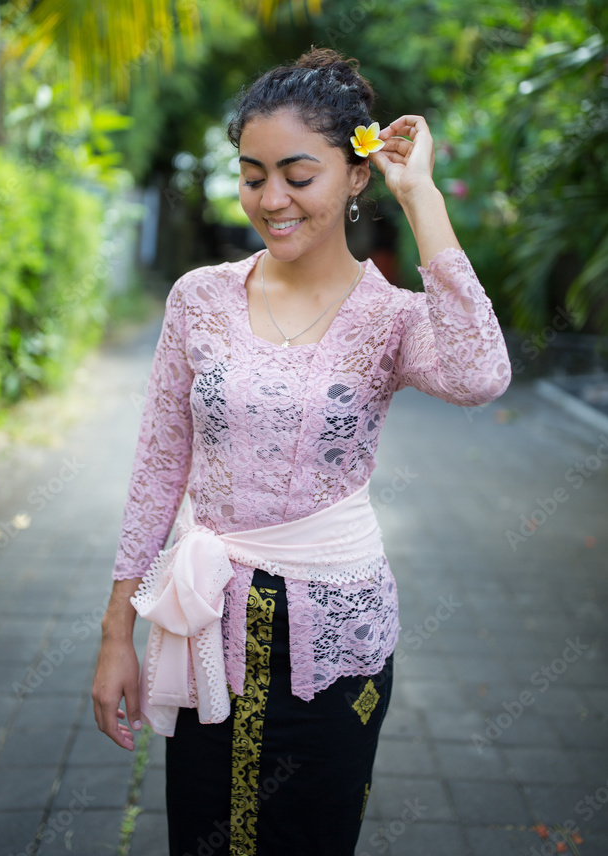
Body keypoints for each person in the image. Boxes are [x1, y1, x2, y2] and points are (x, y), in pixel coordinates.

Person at [92, 47, 512, 855]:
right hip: (199, 625)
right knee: (204, 840)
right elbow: (155, 471)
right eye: (252, 176)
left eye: (297, 174)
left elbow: (480, 371)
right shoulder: (199, 299)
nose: (271, 199)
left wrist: (420, 194)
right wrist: (116, 634)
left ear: (355, 176)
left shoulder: (389, 320)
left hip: (335, 640)